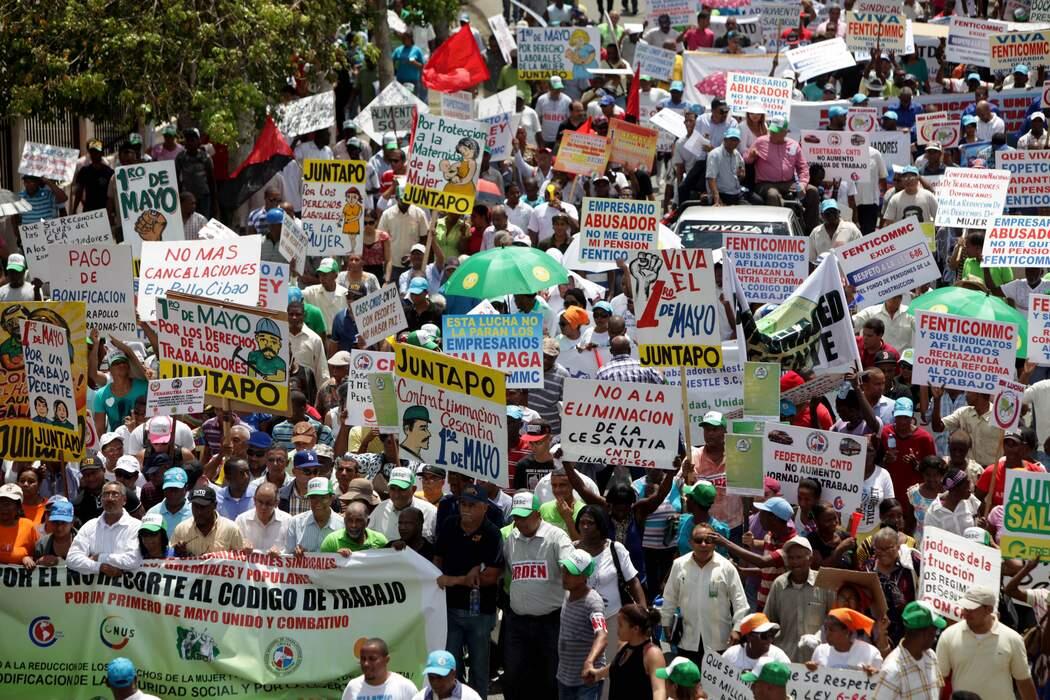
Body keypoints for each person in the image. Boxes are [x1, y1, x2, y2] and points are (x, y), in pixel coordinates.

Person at [434, 483, 504, 698]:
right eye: (463, 503)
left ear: (484, 507)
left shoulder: (492, 534)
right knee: (449, 666)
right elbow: (438, 561)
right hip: (450, 610)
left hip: (480, 612)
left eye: (472, 505)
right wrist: (460, 579)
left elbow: (490, 577)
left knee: (479, 669)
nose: (466, 508)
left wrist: (451, 580)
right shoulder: (448, 524)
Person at [503, 490, 574, 699]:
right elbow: (508, 569)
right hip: (518, 622)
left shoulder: (556, 537)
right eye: (517, 518)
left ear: (538, 514)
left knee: (550, 677)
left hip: (550, 622)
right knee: (514, 676)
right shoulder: (512, 539)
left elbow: (570, 568)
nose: (520, 523)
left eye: (525, 517)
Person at [661, 522, 749, 663]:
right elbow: (669, 597)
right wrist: (666, 624)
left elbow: (740, 602)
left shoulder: (726, 567)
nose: (703, 544)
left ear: (714, 543)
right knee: (688, 683)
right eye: (698, 540)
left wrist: (737, 629)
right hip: (687, 640)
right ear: (690, 543)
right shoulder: (679, 565)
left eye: (708, 540)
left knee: (714, 685)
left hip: (720, 642)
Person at [936, 585, 1037, 700]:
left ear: (989, 609)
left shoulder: (1012, 639)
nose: (965, 613)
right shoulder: (948, 636)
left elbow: (1023, 681)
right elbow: (938, 681)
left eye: (971, 609)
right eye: (965, 608)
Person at [763, 535, 835, 662]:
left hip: (817, 660)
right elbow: (768, 621)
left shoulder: (824, 583)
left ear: (810, 559)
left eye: (799, 557)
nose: (795, 562)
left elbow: (834, 620)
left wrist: (818, 638)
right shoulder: (779, 584)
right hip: (785, 658)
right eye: (791, 558)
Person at [557, 547, 608, 700]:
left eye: (571, 573)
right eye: (564, 570)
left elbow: (602, 635)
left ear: (584, 576)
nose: (565, 576)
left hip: (586, 681)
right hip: (565, 676)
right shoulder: (567, 595)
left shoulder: (593, 602)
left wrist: (589, 662)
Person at [872, 601, 945, 700]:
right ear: (924, 634)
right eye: (934, 630)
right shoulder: (893, 671)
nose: (935, 636)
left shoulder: (931, 656)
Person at [66, 482, 142, 574]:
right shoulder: (90, 526)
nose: (110, 498)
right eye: (106, 494)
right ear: (101, 500)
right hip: (95, 588)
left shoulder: (136, 526)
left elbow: (135, 560)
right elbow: (72, 558)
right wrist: (100, 567)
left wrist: (100, 557)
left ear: (124, 500)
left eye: (115, 494)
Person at [598, 603, 665, 700]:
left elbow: (659, 690)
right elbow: (616, 668)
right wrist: (597, 674)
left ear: (635, 629)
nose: (617, 629)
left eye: (621, 625)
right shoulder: (623, 646)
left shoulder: (653, 654)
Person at [369, 466, 437, 543]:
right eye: (393, 489)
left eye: (402, 489)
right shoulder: (380, 509)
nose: (396, 495)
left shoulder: (431, 513)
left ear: (413, 489)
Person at [171, 487, 244, 556]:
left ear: (215, 505)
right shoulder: (181, 530)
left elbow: (241, 561)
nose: (199, 512)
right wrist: (177, 552)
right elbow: (169, 559)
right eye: (195, 506)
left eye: (203, 507)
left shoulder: (231, 530)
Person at [808, 608, 883, 673]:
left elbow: (881, 682)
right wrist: (809, 670)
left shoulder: (870, 652)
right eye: (826, 629)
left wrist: (875, 674)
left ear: (846, 631)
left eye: (832, 630)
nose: (827, 633)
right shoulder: (820, 651)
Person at [341, 637, 418, 700]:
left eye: (372, 659)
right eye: (363, 658)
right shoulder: (352, 687)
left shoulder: (405, 687)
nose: (366, 663)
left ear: (386, 660)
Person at [286, 477, 341, 554]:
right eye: (313, 498)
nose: (318, 502)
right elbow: (287, 556)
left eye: (323, 498)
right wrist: (294, 553)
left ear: (331, 499)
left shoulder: (342, 525)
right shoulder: (295, 523)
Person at [723, 613, 792, 670]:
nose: (769, 640)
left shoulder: (778, 657)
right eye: (764, 635)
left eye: (771, 634)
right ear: (749, 636)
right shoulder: (731, 655)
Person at [235, 482, 291, 554]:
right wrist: (241, 545)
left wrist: (281, 553)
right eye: (260, 502)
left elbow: (291, 551)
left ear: (276, 503)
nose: (263, 507)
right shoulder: (241, 521)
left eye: (268, 503)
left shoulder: (288, 521)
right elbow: (233, 548)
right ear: (254, 500)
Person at [320, 499, 388, 555]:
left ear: (367, 522)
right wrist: (336, 558)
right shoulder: (332, 542)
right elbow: (322, 570)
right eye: (349, 520)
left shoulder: (380, 542)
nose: (353, 525)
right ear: (344, 521)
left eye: (358, 521)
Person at [412, 649, 482, 700]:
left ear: (453, 674)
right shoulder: (420, 697)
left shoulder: (470, 697)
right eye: (431, 677)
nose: (435, 682)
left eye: (440, 677)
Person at [0, 483, 38, 567]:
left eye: (7, 504)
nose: (3, 507)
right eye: (0, 503)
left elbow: (38, 554)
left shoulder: (28, 526)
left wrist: (28, 558)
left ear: (18, 507)